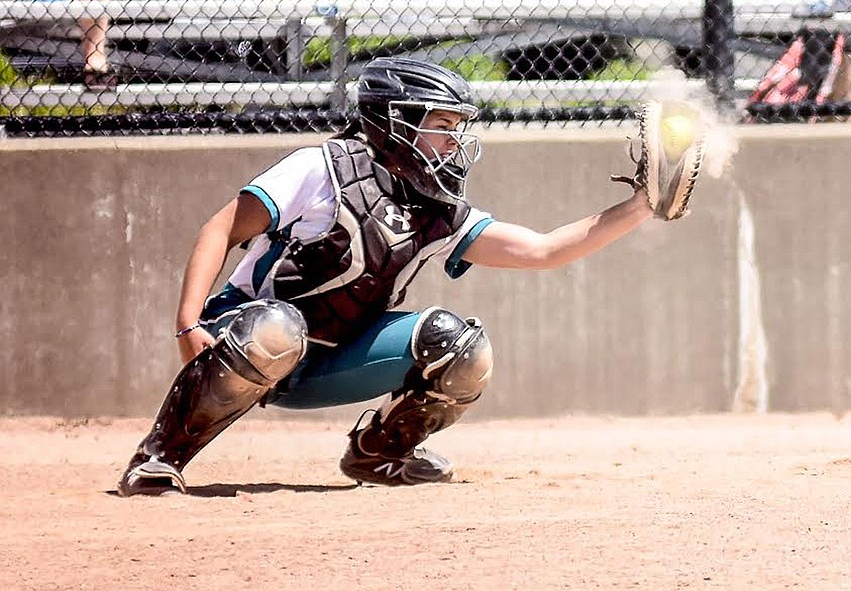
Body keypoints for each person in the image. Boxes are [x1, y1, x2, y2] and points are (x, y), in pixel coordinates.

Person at [117, 56, 663, 495]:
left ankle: (382, 454)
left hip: (329, 359)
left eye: (458, 129)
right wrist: (190, 323)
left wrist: (641, 206)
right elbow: (220, 229)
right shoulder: (321, 167)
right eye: (441, 126)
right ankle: (161, 456)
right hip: (248, 335)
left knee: (461, 346)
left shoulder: (436, 205)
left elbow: (542, 251)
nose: (454, 141)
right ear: (392, 122)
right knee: (278, 326)